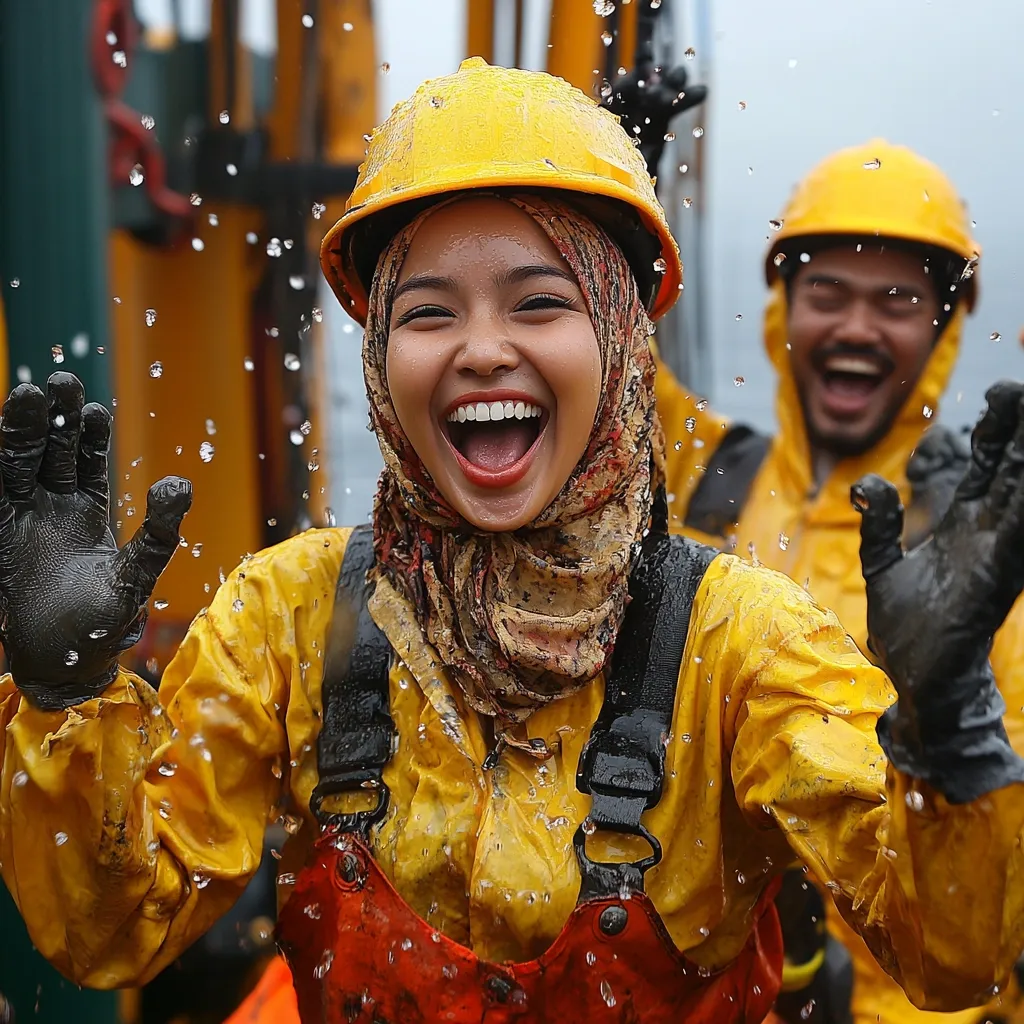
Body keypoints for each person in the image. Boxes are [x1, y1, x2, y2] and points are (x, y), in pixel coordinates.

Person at [2, 60, 1024, 1024]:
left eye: (540, 302)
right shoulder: (289, 616)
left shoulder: (741, 642)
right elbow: (111, 934)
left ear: (621, 339)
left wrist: (953, 730)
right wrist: (64, 700)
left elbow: (948, 958)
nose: (483, 347)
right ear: (378, 355)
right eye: (427, 311)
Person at [655, 139, 1024, 1024]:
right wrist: (616, 220)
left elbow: (995, 904)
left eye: (897, 301)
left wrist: (948, 730)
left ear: (942, 329)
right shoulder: (710, 471)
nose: (856, 327)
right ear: (784, 313)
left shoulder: (977, 562)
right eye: (827, 293)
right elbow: (594, 370)